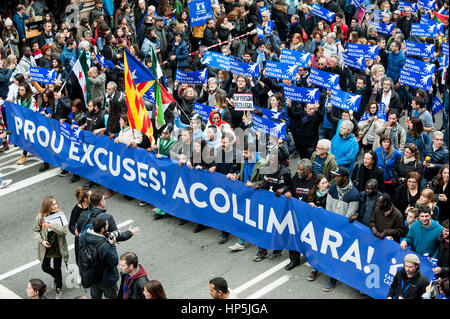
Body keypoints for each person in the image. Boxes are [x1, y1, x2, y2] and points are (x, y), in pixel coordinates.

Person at [324, 166, 360, 292]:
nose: (335, 178)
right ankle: (331, 276)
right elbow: (328, 207)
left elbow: (349, 215)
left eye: (338, 176)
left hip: (344, 230)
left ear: (345, 178)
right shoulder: (333, 187)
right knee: (330, 252)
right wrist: (329, 223)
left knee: (339, 254)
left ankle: (336, 278)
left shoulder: (354, 194)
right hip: (331, 225)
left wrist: (338, 227)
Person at [252, 151, 291, 262]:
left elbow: (289, 186)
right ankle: (262, 251)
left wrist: (282, 190)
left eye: (272, 160)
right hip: (265, 203)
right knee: (261, 226)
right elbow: (264, 184)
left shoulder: (285, 172)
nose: (269, 161)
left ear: (278, 161)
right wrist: (258, 185)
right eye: (269, 159)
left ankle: (277, 249)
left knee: (275, 228)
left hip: (278, 205)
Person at [228, 141, 266, 251]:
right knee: (245, 216)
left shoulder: (262, 164)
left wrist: (254, 184)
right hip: (245, 193)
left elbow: (265, 182)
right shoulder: (244, 161)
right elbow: (244, 175)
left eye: (245, 153)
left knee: (255, 218)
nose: (243, 155)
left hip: (256, 195)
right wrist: (237, 176)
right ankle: (241, 242)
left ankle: (262, 242)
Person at [32, 196, 69, 299]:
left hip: (58, 247)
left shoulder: (60, 215)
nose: (55, 206)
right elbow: (35, 230)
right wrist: (42, 241)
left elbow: (64, 231)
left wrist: (52, 225)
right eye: (53, 205)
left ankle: (59, 287)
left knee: (57, 268)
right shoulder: (40, 217)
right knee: (45, 267)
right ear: (47, 206)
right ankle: (57, 278)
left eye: (56, 203)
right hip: (46, 247)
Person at [84, 216, 119, 299]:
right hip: (106, 279)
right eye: (107, 225)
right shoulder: (105, 246)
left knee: (95, 296)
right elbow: (114, 261)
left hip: (93, 278)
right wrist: (112, 245)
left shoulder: (86, 237)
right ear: (102, 229)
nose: (108, 226)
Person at [68, 187, 91, 279]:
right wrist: (75, 231)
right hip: (81, 236)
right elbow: (71, 225)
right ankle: (80, 273)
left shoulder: (92, 205)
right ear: (85, 198)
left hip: (91, 234)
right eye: (90, 195)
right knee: (80, 256)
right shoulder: (76, 210)